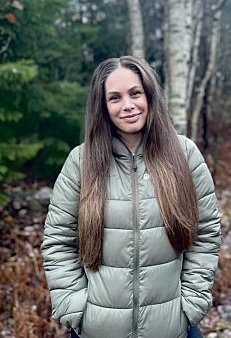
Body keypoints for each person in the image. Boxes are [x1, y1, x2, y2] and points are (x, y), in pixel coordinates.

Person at [41, 56, 221, 338]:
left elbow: (206, 233)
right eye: (114, 98)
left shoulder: (184, 155)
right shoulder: (81, 161)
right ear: (103, 106)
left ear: (150, 95)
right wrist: (74, 307)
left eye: (135, 93)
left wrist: (191, 304)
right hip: (96, 330)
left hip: (172, 329)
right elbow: (58, 241)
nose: (127, 106)